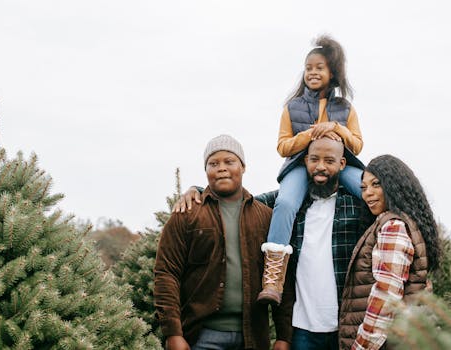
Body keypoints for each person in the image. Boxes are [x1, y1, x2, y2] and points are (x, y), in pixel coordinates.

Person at [173, 137, 370, 350]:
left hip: (346, 323)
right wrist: (198, 190)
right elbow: (238, 202)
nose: (320, 166)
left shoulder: (356, 206)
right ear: (305, 161)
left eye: (329, 161)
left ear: (341, 164)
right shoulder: (286, 204)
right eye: (314, 159)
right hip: (301, 327)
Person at [154, 134, 293, 350]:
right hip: (201, 336)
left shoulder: (265, 217)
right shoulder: (187, 214)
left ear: (243, 167)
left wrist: (284, 336)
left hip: (252, 337)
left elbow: (282, 277)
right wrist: (173, 333)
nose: (221, 168)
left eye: (229, 161)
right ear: (206, 170)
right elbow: (166, 273)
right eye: (213, 163)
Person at [258, 35, 364, 305]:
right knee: (285, 203)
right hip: (299, 165)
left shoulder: (345, 108)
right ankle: (273, 279)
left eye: (319, 68)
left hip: (337, 166)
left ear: (333, 73)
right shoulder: (291, 107)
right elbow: (283, 146)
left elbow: (358, 145)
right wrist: (309, 135)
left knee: (369, 189)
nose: (313, 72)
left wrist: (337, 128)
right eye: (309, 68)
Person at [339, 155, 441, 350]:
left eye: (376, 184)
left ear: (394, 185)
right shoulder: (405, 222)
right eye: (363, 187)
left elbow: (386, 297)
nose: (368, 193)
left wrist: (362, 346)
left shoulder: (392, 226)